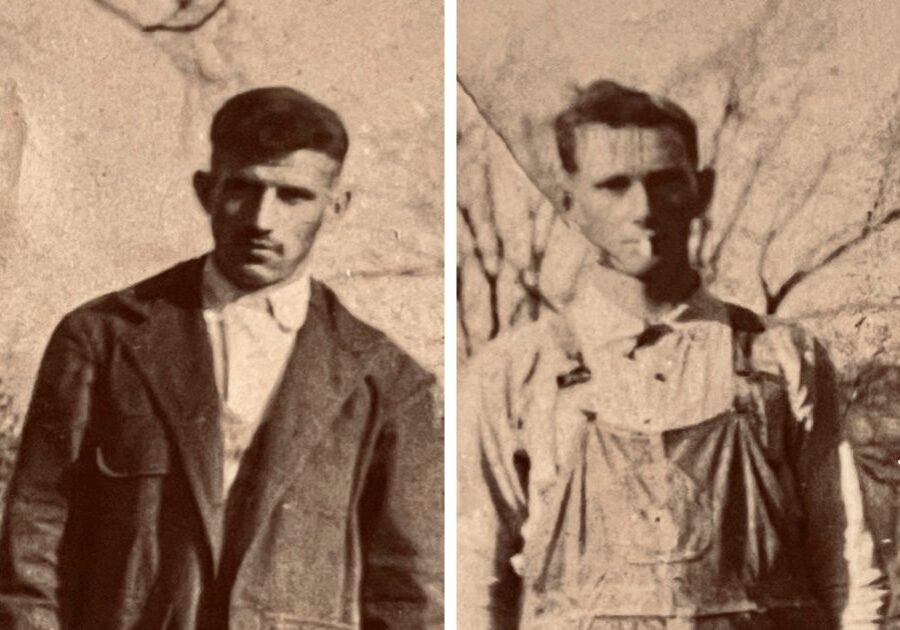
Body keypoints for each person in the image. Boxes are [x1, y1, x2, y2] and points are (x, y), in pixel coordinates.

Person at [0, 86, 443, 629]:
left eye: (294, 196)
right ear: (206, 191)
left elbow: (409, 594)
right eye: (243, 188)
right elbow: (33, 545)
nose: (262, 219)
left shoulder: (387, 381)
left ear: (338, 205)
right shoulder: (103, 338)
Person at [457, 79, 887, 629]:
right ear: (569, 203)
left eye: (665, 183)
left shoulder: (782, 355)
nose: (643, 209)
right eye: (613, 186)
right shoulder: (517, 372)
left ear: (701, 190)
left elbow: (848, 565)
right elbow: (474, 586)